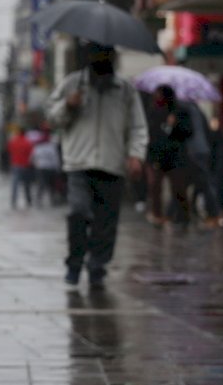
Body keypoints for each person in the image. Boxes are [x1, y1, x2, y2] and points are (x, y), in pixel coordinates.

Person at [46, 42, 148, 289]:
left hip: (111, 164)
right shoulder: (71, 84)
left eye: (107, 56)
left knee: (106, 221)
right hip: (78, 162)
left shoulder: (125, 90)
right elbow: (51, 119)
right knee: (78, 212)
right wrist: (67, 106)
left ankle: (97, 266)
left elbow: (137, 127)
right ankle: (74, 262)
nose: (102, 60)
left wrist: (136, 155)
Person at [144, 85, 194, 226]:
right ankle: (157, 216)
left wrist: (176, 124)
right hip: (158, 156)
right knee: (155, 187)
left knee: (179, 187)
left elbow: (189, 132)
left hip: (175, 156)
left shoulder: (180, 112)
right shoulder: (153, 113)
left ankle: (183, 216)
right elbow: (151, 133)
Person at [179, 98, 222, 226]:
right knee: (197, 181)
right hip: (202, 149)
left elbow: (186, 131)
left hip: (193, 150)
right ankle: (187, 210)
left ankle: (214, 212)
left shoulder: (184, 110)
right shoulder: (199, 111)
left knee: (201, 181)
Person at [31, 126, 62, 207]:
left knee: (41, 185)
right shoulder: (51, 145)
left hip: (41, 168)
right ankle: (53, 200)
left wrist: (36, 165)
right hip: (50, 168)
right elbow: (56, 158)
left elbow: (33, 158)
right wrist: (58, 168)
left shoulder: (37, 146)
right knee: (51, 185)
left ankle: (39, 201)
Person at [6, 126, 34, 209]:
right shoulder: (28, 142)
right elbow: (31, 154)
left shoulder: (13, 141)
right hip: (26, 165)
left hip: (15, 165)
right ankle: (28, 200)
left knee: (15, 184)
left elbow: (9, 151)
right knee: (27, 184)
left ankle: (13, 201)